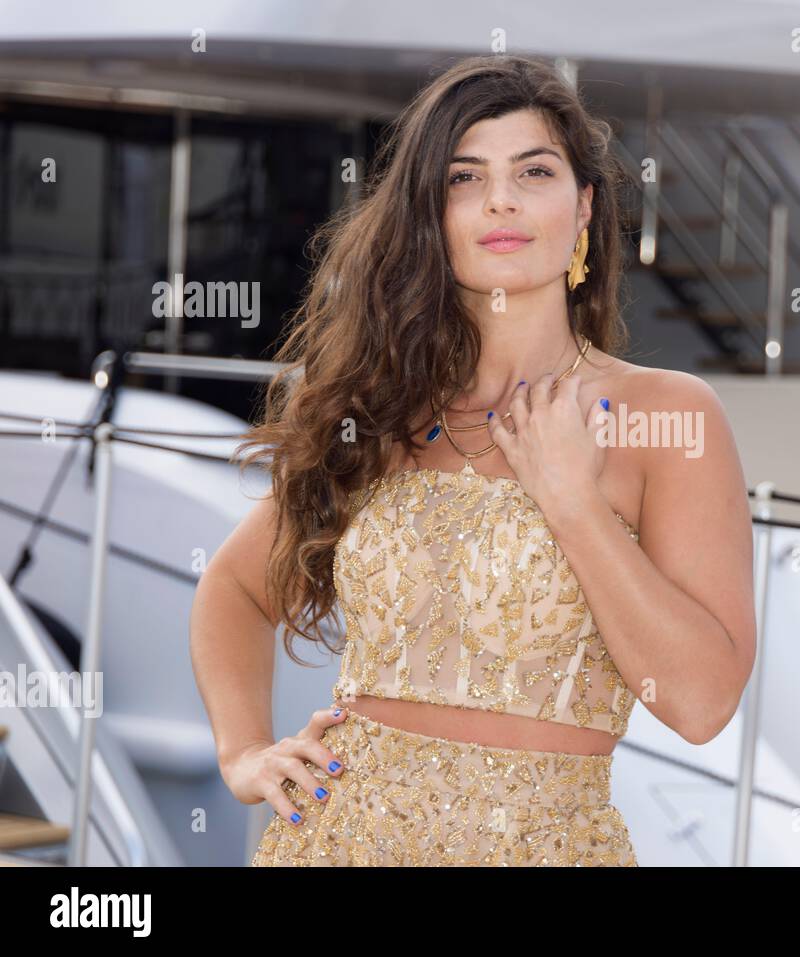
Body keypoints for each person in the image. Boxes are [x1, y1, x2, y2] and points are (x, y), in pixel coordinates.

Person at [190, 53, 756, 867]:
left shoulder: (667, 415)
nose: (501, 199)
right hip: (339, 841)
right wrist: (245, 754)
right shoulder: (378, 407)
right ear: (431, 214)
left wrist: (571, 499)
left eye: (534, 170)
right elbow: (236, 587)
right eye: (465, 177)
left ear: (584, 205)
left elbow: (703, 702)